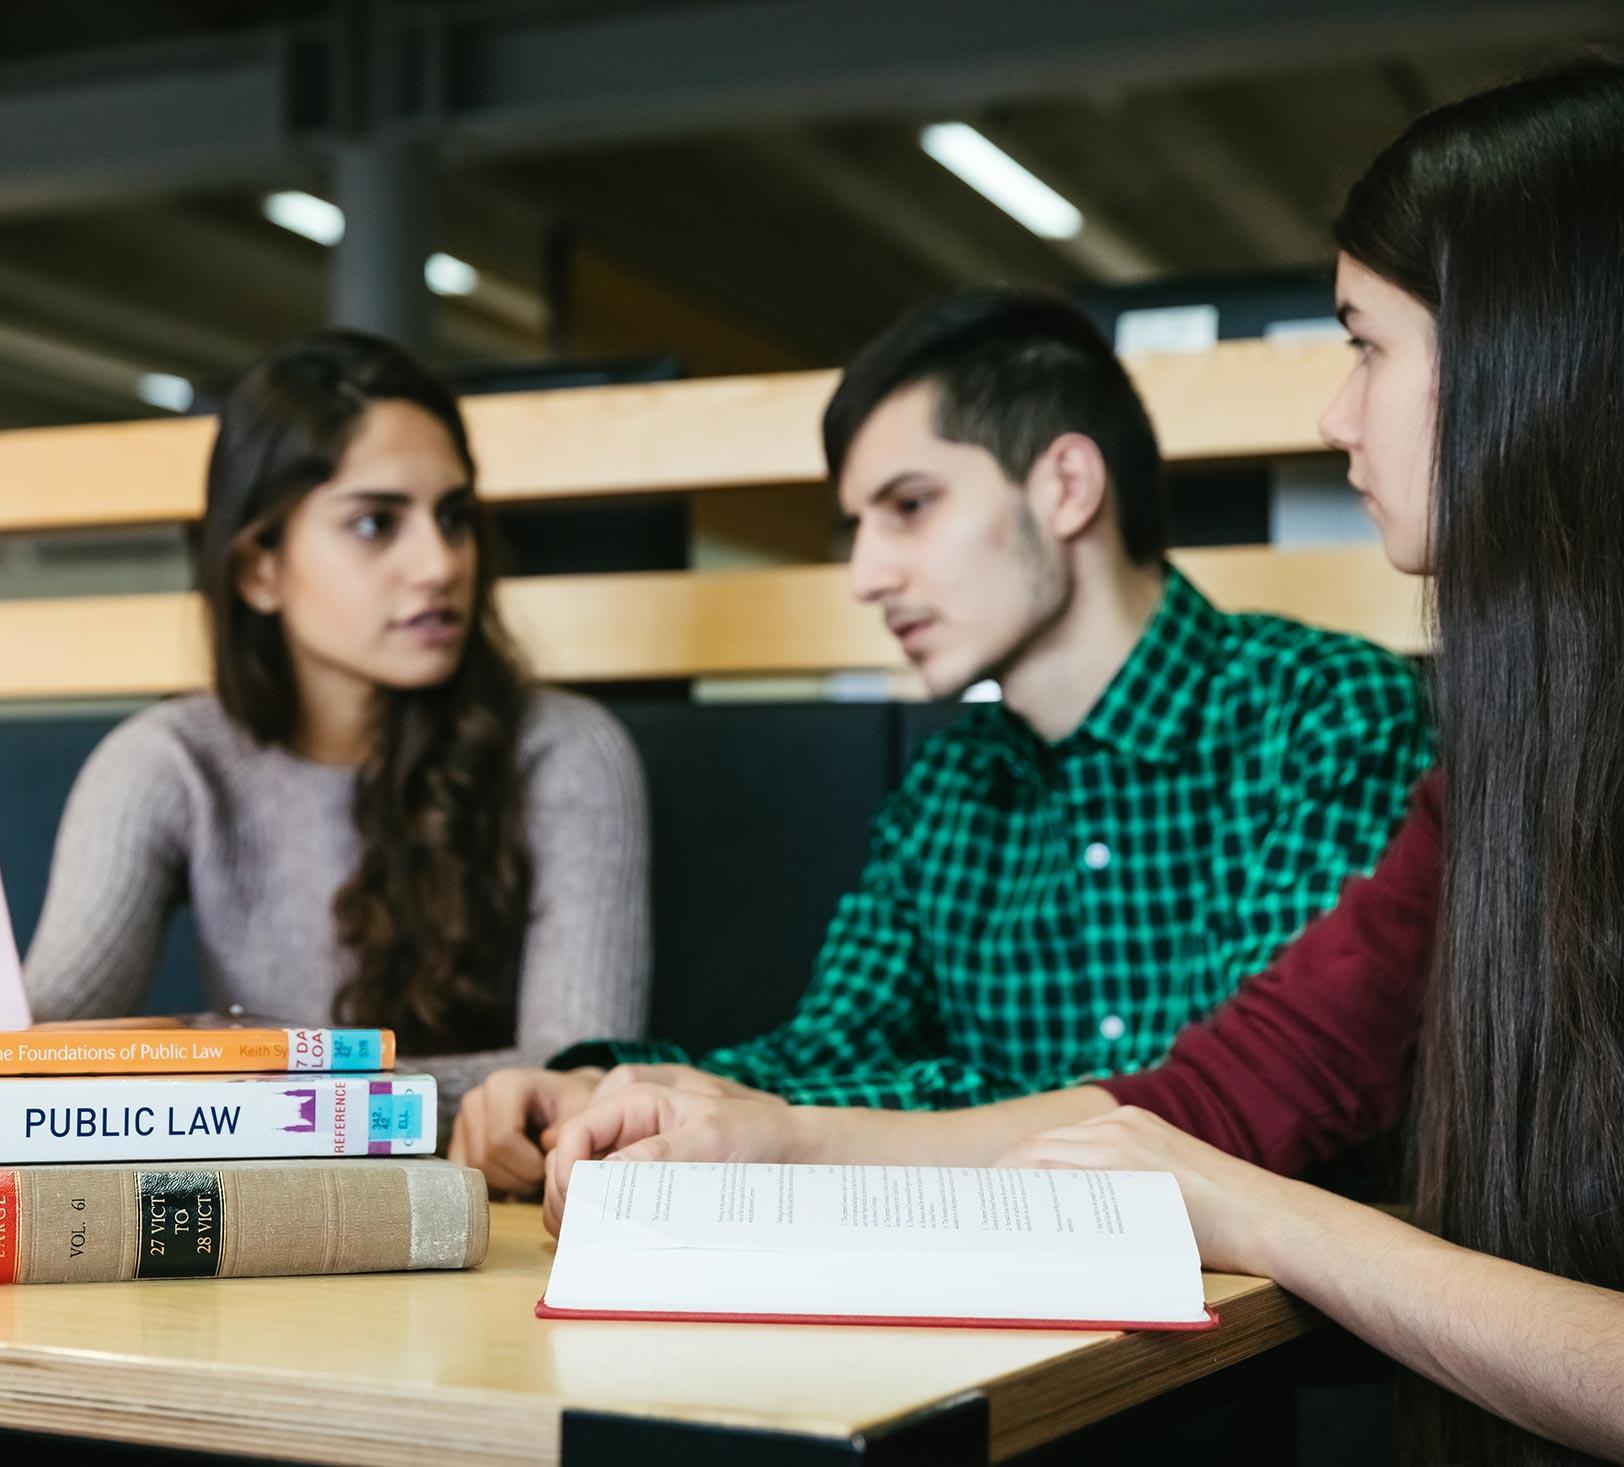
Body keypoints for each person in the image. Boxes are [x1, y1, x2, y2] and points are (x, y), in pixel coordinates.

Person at [541, 61, 1624, 1466]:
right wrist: (710, 1110)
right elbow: (1212, 1099)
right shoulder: (1500, 752)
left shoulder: (1327, 713)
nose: (1332, 415)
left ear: (1528, 345)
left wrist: (1234, 1197)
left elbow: (1236, 1142)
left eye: (1364, 342)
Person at [452, 287, 1430, 1192]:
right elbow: (826, 1050)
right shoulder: (950, 785)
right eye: (857, 527)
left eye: (909, 507)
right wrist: (617, 1092)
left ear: (1065, 485)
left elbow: (1222, 1107)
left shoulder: (1327, 715)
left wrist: (786, 1124)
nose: (868, 575)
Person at [22, 329, 651, 1112]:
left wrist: (252, 1092)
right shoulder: (170, 761)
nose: (441, 563)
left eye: (452, 517)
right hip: (258, 1204)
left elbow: (570, 1081)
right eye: (375, 523)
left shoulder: (566, 750)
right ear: (260, 570)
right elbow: (34, 1046)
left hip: (488, 1205)